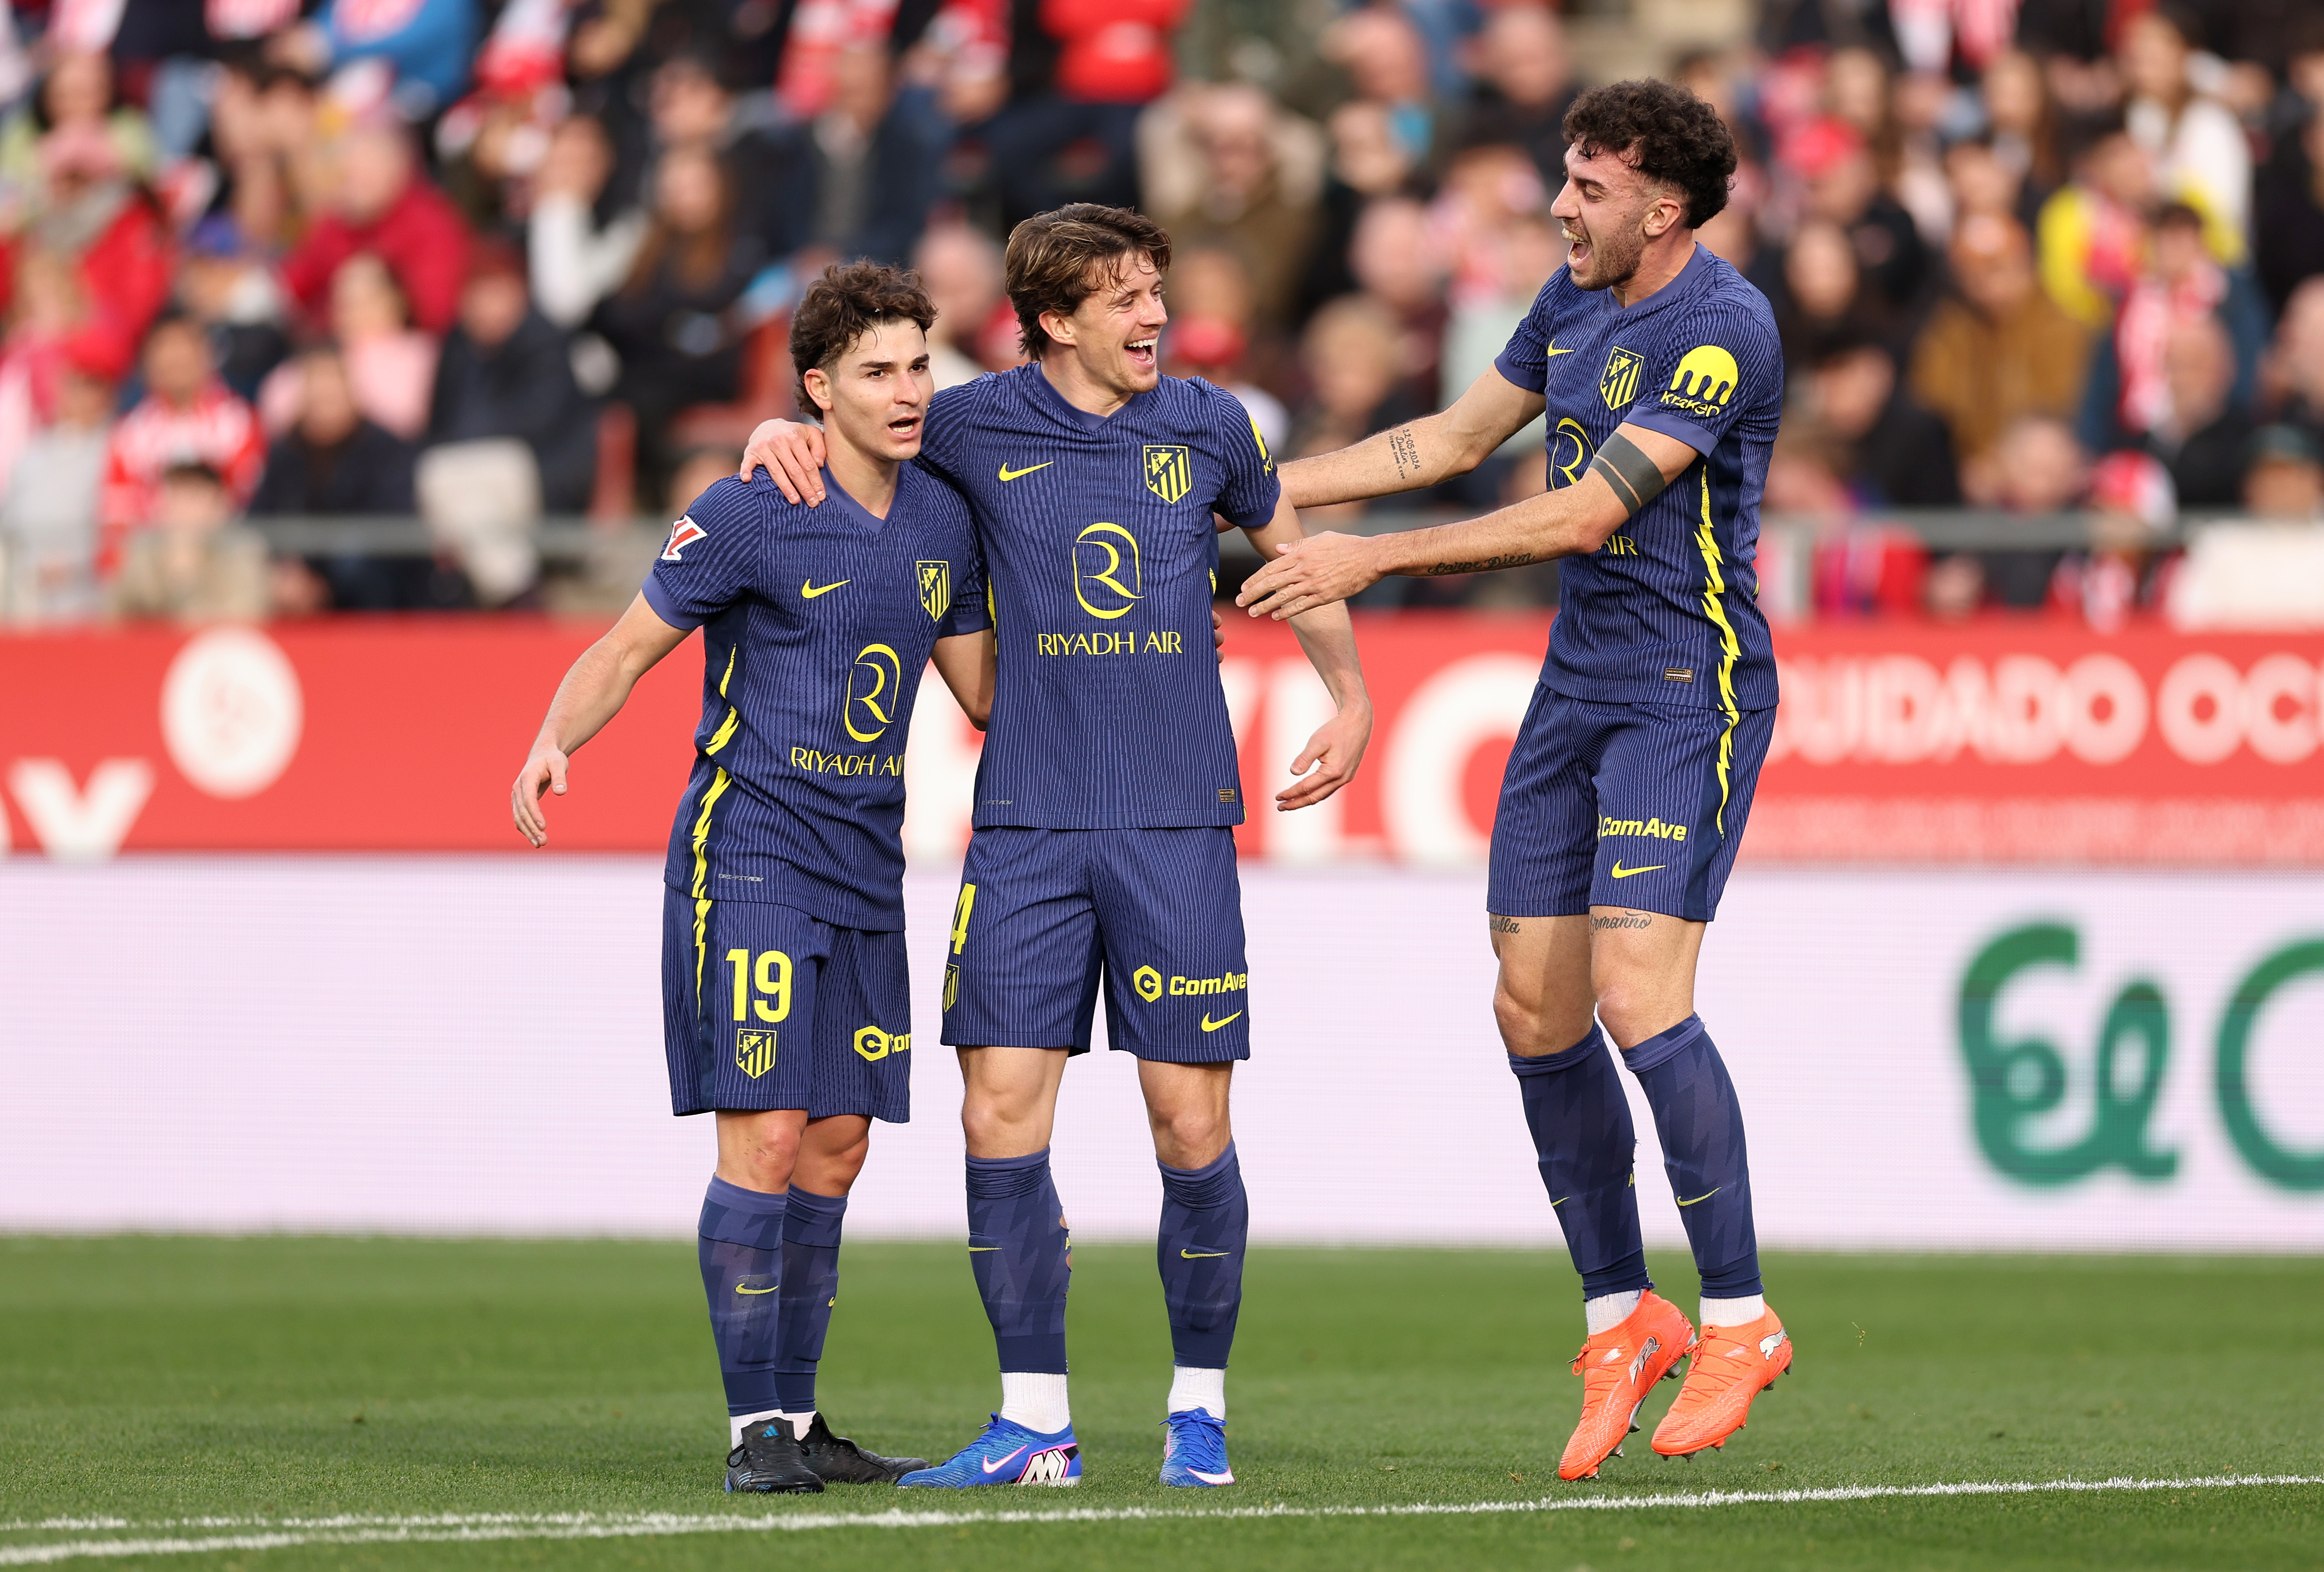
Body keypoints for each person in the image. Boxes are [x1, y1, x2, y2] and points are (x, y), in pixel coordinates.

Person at [740, 204, 1372, 1491]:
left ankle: (1198, 1409)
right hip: (1026, 824)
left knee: (1188, 1122)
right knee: (997, 1113)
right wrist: (776, 433)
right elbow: (855, 426)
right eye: (1127, 297)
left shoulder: (1212, 426)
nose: (1155, 316)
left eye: (1157, 291)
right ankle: (1035, 1420)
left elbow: (1294, 558)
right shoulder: (968, 423)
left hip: (1175, 819)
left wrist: (1351, 697)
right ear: (1053, 320)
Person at [1234, 79, 1791, 1481]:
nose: (1560, 207)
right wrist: (1251, 483)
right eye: (1566, 178)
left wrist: (1371, 556)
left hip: (1688, 687)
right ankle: (1624, 1315)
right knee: (1533, 1008)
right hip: (1575, 685)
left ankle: (1740, 1316)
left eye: (1591, 188)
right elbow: (1447, 441)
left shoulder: (1722, 328)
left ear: (1663, 208)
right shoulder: (1569, 299)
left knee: (1637, 994)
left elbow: (1589, 510)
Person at [509, 261, 994, 1494]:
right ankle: (751, 1432)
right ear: (819, 389)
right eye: (878, 372)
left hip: (867, 866)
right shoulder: (748, 508)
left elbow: (986, 693)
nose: (908, 391)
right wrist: (556, 736)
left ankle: (800, 1414)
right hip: (753, 853)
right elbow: (627, 647)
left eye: (918, 366)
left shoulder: (944, 519)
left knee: (836, 1147)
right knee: (768, 1133)